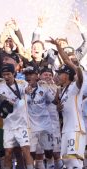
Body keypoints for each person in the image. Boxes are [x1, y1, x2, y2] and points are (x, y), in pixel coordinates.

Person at [49, 38, 86, 168]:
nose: (58, 76)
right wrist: (59, 107)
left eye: (61, 73)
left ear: (68, 74)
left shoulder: (76, 86)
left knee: (72, 160)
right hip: (66, 129)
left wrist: (59, 47)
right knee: (67, 161)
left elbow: (68, 62)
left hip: (75, 128)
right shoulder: (62, 90)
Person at [0, 64, 34, 169]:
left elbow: (27, 89)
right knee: (8, 152)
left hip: (22, 124)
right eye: (4, 75)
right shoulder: (0, 86)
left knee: (26, 149)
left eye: (8, 74)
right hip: (8, 125)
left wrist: (28, 90)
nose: (6, 77)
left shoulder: (22, 83)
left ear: (14, 74)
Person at [23, 66, 55, 168]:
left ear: (37, 77)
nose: (28, 77)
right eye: (26, 75)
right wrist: (25, 93)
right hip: (31, 126)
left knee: (49, 152)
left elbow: (53, 101)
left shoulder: (44, 88)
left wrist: (52, 86)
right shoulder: (21, 90)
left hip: (45, 124)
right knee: (31, 153)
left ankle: (51, 166)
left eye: (31, 74)